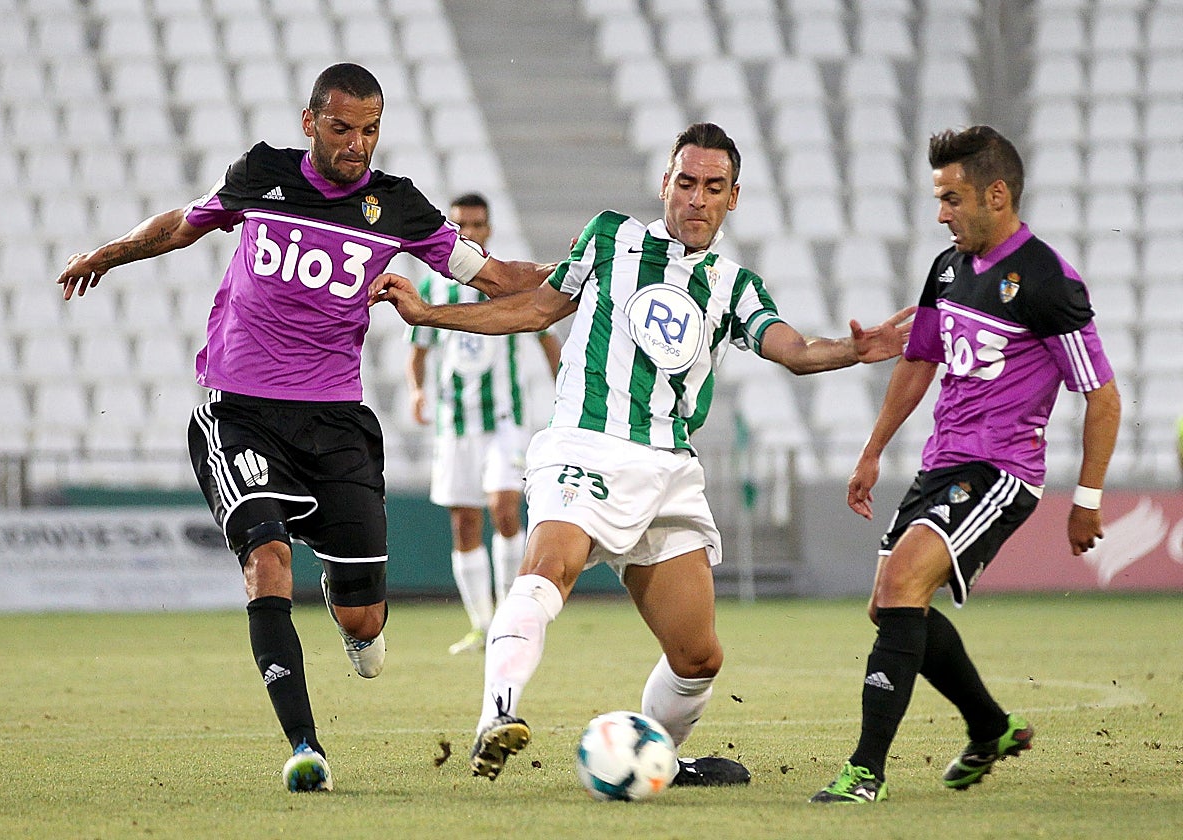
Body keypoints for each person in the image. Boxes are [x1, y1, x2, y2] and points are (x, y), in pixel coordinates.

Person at [55, 63, 549, 792]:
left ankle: (352, 619)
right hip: (240, 411)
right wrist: (108, 252)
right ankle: (305, 746)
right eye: (343, 128)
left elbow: (497, 277)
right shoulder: (261, 174)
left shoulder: (398, 206)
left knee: (365, 622)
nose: (358, 144)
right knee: (267, 561)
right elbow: (182, 225)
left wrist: (598, 272)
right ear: (310, 120)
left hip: (335, 422)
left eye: (371, 130)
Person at [375, 122, 914, 787]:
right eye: (685, 183)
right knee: (550, 569)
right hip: (586, 443)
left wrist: (855, 351)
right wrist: (432, 316)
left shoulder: (735, 286)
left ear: (732, 198)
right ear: (665, 183)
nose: (696, 199)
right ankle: (497, 713)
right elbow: (534, 309)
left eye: (713, 188)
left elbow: (795, 352)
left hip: (668, 470)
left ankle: (655, 757)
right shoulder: (611, 238)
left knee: (698, 656)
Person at [810, 126, 1121, 804]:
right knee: (890, 605)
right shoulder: (949, 268)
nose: (941, 213)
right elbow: (919, 358)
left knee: (899, 591)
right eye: (938, 199)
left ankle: (866, 772)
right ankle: (990, 727)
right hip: (943, 463)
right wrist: (871, 451)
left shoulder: (1046, 281)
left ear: (996, 194)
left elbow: (1102, 396)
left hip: (1002, 470)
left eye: (952, 198)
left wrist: (1088, 497)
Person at [404, 192, 562, 655]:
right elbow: (420, 351)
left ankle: (513, 618)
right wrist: (417, 391)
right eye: (461, 226)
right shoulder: (436, 287)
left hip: (505, 421)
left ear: (489, 228)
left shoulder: (510, 282)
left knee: (505, 509)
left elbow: (546, 338)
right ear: (452, 230)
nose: (470, 232)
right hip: (456, 425)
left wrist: (563, 391)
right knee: (464, 524)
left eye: (477, 224)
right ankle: (482, 623)